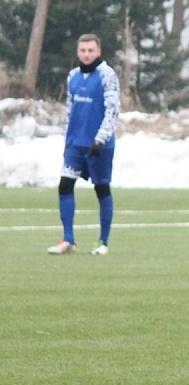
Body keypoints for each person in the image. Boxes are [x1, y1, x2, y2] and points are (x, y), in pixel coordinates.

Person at [48, 33, 120, 256]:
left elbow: (112, 110)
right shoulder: (73, 77)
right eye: (83, 50)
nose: (86, 54)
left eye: (90, 50)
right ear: (78, 52)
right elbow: (71, 111)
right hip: (76, 144)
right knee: (65, 185)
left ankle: (103, 242)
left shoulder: (107, 75)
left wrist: (101, 138)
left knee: (101, 189)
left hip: (99, 144)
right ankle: (68, 239)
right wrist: (67, 139)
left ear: (98, 51)